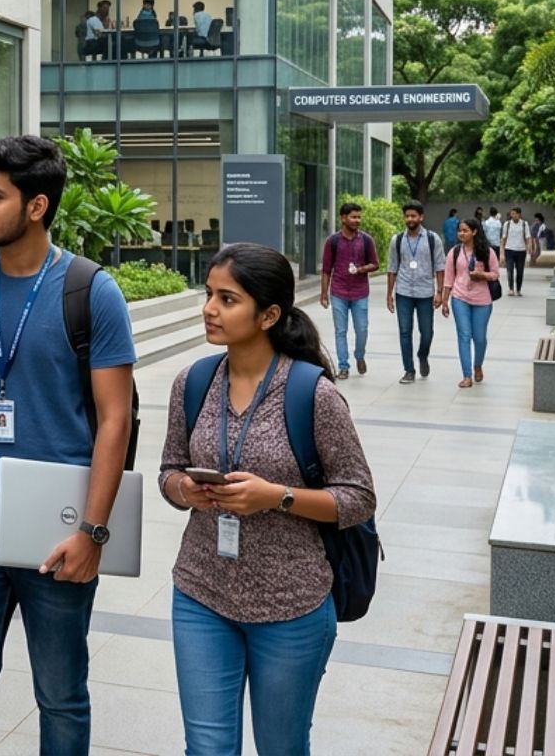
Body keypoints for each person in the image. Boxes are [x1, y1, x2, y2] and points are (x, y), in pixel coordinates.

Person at [0, 135, 137, 754]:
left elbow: (115, 420)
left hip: (57, 527)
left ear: (36, 206)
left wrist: (93, 532)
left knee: (61, 696)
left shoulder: (91, 292)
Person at [159, 243, 375, 756]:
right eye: (209, 294)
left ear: (269, 315)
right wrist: (186, 490)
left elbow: (358, 496)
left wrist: (275, 497)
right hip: (201, 593)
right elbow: (168, 472)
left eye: (227, 299)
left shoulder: (312, 394)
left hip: (292, 606)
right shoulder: (192, 383)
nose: (209, 308)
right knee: (207, 748)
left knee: (281, 747)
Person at [384, 201, 445, 384]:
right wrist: (389, 293)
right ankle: (409, 370)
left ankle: (422, 354)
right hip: (403, 292)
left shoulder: (433, 239)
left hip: (425, 292)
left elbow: (440, 267)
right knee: (404, 331)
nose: (410, 219)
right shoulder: (398, 240)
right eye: (407, 216)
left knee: (427, 332)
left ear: (421, 217)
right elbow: (392, 267)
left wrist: (440, 292)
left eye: (413, 216)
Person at [319, 202, 377, 379]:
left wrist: (361, 270)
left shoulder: (366, 240)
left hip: (360, 292)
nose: (357, 220)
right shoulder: (333, 241)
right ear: (343, 218)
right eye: (353, 217)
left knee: (362, 329)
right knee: (340, 331)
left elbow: (375, 264)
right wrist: (324, 294)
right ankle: (343, 366)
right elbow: (327, 269)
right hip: (339, 292)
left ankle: (360, 356)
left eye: (359, 217)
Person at [442, 218, 499, 389]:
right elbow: (448, 278)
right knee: (464, 336)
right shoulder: (454, 252)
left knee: (479, 338)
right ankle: (467, 375)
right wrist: (445, 300)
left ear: (474, 232)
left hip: (483, 300)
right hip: (460, 298)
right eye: (460, 230)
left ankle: (478, 365)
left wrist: (483, 276)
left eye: (465, 230)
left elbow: (496, 274)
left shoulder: (487, 252)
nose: (461, 233)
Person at [500, 207, 532, 296]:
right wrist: (502, 252)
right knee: (509, 270)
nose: (513, 215)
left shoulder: (524, 224)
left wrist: (529, 246)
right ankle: (511, 289)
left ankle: (518, 289)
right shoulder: (507, 224)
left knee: (520, 271)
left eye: (514, 213)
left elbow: (528, 237)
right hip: (509, 249)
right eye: (511, 214)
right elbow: (503, 238)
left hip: (521, 250)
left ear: (519, 214)